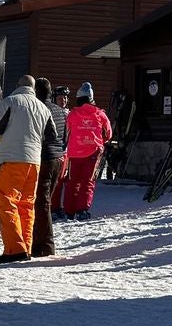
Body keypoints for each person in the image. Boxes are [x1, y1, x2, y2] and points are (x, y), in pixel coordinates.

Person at [0, 75, 55, 263]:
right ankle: (26, 245)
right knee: (27, 206)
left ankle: (14, 249)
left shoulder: (9, 102)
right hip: (34, 162)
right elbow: (52, 136)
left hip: (11, 159)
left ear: (17, 85)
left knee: (8, 204)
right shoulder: (43, 108)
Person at [63, 82, 113, 221]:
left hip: (74, 153)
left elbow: (67, 131)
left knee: (72, 181)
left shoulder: (72, 114)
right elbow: (108, 133)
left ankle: (69, 211)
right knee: (87, 181)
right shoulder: (100, 114)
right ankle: (82, 210)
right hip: (93, 152)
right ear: (91, 98)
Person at [32, 78, 66, 258]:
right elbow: (65, 136)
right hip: (58, 159)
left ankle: (45, 245)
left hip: (43, 158)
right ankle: (39, 243)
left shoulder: (37, 109)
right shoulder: (61, 111)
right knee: (45, 202)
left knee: (42, 203)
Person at [49, 86, 71, 219]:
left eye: (65, 97)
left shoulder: (69, 113)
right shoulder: (52, 112)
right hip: (56, 151)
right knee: (55, 181)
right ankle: (53, 207)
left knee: (62, 181)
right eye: (60, 98)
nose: (63, 100)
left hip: (67, 151)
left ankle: (58, 206)